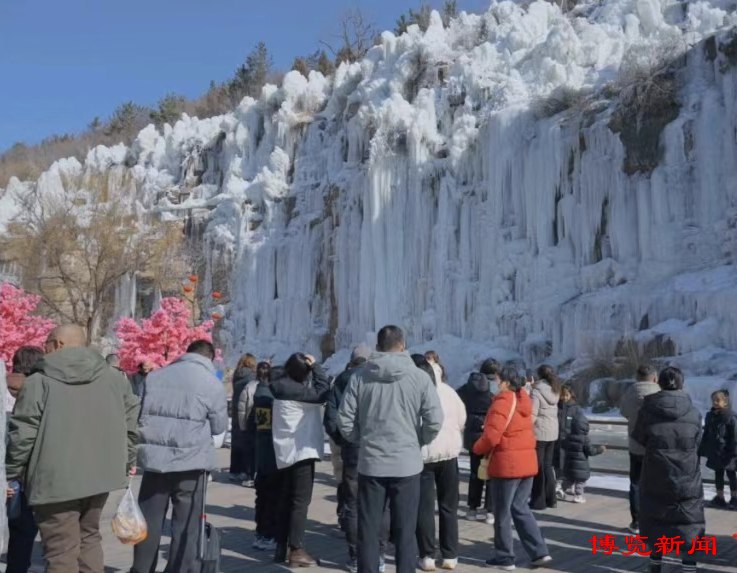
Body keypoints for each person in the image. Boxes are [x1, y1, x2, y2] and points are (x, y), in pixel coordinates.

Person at [6, 325, 139, 573]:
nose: (44, 349)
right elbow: (131, 426)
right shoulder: (115, 379)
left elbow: (23, 433)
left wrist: (12, 471)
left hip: (54, 480)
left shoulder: (38, 381)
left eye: (46, 343)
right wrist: (125, 460)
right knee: (89, 538)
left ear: (58, 344)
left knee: (60, 550)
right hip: (100, 477)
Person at [338, 325, 443, 573]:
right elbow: (435, 420)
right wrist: (418, 440)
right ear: (403, 345)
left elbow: (344, 420)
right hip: (407, 465)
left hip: (372, 465)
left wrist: (362, 440)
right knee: (406, 532)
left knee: (368, 530)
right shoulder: (418, 377)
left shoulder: (360, 377)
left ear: (377, 347)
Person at [131, 339, 228, 573]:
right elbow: (218, 427)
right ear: (210, 358)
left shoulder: (155, 377)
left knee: (149, 522)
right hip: (192, 465)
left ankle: (142, 569)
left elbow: (140, 414)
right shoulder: (212, 384)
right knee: (186, 526)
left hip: (155, 464)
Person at [473, 367, 551, 571]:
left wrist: (476, 448)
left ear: (506, 382)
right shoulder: (523, 399)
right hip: (527, 462)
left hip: (507, 464)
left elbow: (491, 436)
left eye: (497, 379)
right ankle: (539, 551)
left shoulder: (503, 400)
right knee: (520, 508)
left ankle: (505, 556)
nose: (495, 382)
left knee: (502, 512)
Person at [633, 367, 704, 573]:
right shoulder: (693, 411)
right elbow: (697, 439)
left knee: (655, 515)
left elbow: (639, 437)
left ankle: (656, 564)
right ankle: (689, 566)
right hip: (687, 472)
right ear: (681, 383)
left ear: (659, 383)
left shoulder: (647, 409)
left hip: (656, 470)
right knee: (688, 517)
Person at [324, 344, 385, 572]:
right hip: (378, 448)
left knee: (352, 503)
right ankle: (378, 556)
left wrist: (343, 439)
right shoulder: (377, 378)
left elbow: (331, 416)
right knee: (379, 503)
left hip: (353, 448)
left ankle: (356, 556)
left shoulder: (342, 380)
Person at [270, 352, 330, 566]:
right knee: (299, 502)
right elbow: (323, 392)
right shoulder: (295, 391)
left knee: (287, 500)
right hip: (301, 451)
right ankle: (296, 549)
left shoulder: (281, 385)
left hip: (287, 453)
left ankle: (281, 546)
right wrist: (317, 368)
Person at [415, 356, 466, 572]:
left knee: (424, 508)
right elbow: (462, 419)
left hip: (423, 457)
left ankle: (427, 555)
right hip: (449, 455)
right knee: (448, 507)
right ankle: (450, 555)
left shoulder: (415, 393)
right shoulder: (449, 392)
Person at [5, 346, 43, 573]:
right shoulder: (39, 390)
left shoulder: (4, 384)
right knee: (24, 531)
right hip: (25, 472)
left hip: (7, 472)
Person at [457, 358, 500, 523]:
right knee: (490, 472)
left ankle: (472, 509)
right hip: (489, 433)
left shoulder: (467, 388)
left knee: (475, 473)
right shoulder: (495, 389)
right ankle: (490, 510)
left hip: (471, 435)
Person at [619, 364, 659, 533]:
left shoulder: (630, 392)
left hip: (635, 445)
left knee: (635, 483)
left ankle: (636, 522)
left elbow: (624, 412)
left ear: (637, 377)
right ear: (654, 377)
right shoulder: (659, 392)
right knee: (656, 484)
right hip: (655, 446)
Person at [246, 361, 279, 552]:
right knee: (269, 497)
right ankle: (266, 535)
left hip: (262, 456)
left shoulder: (260, 395)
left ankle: (262, 533)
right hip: (269, 456)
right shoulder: (267, 397)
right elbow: (265, 429)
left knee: (263, 497)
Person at [556, 384, 605, 503]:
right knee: (561, 463)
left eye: (566, 395)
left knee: (569, 465)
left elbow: (580, 423)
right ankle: (560, 485)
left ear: (571, 394)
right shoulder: (557, 407)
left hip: (571, 440)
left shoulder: (576, 409)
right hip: (559, 440)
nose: (564, 397)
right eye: (562, 395)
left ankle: (566, 486)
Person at [529, 364, 561, 510]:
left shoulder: (537, 391)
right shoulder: (555, 389)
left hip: (540, 432)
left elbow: (532, 413)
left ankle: (538, 501)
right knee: (548, 466)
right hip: (553, 432)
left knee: (538, 467)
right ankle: (552, 499)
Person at [698, 389, 737, 508]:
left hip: (728, 453)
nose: (714, 402)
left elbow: (735, 436)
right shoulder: (710, 416)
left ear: (725, 402)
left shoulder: (731, 417)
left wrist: (734, 452)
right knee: (718, 474)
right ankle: (720, 497)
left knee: (731, 475)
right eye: (713, 400)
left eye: (717, 400)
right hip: (715, 452)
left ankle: (734, 498)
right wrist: (702, 450)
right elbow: (706, 434)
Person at [233, 353, 258, 485]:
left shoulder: (237, 374)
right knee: (249, 445)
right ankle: (247, 471)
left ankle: (235, 470)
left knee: (237, 442)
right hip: (248, 412)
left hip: (237, 410)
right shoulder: (251, 377)